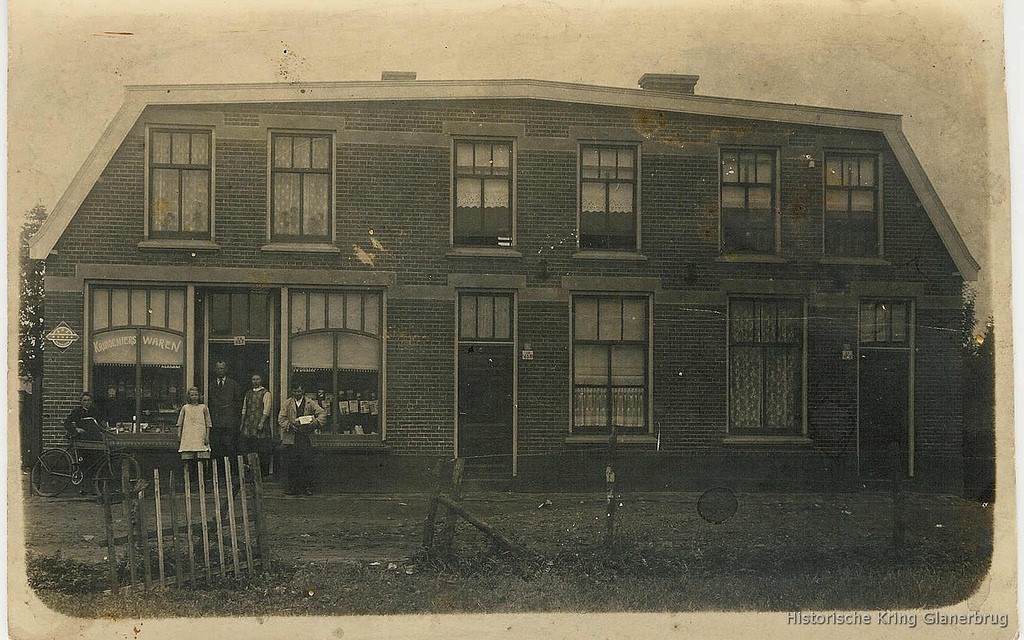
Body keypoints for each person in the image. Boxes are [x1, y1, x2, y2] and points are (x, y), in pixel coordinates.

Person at [277, 383, 326, 495]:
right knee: (292, 463)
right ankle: (293, 488)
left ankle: (307, 487)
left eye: (299, 391)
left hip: (306, 438)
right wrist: (290, 425)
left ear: (303, 391)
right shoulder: (287, 403)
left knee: (306, 462)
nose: (297, 393)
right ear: (292, 392)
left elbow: (322, 413)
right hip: (292, 438)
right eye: (295, 391)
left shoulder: (310, 402)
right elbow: (281, 418)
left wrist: (315, 422)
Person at [239, 373, 274, 477]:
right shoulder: (248, 393)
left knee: (262, 448)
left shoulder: (266, 393)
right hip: (249, 424)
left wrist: (262, 422)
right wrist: (242, 423)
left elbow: (267, 409)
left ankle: (263, 473)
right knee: (249, 447)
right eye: (253, 379)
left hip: (260, 423)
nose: (255, 381)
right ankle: (252, 471)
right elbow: (244, 408)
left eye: (257, 379)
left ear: (261, 380)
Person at [207, 361, 241, 460]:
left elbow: (238, 402)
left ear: (226, 369)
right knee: (217, 446)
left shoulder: (233, 384)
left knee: (229, 446)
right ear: (215, 370)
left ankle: (230, 468)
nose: (220, 370)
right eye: (218, 368)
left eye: (222, 368)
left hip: (229, 421)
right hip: (216, 420)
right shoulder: (211, 385)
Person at [64, 392, 107, 470]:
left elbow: (100, 423)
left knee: (97, 458)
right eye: (84, 400)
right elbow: (67, 423)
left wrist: (103, 426)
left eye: (88, 400)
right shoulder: (77, 411)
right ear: (81, 401)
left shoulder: (95, 411)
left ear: (91, 401)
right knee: (83, 460)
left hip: (93, 439)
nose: (87, 402)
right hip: (81, 439)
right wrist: (76, 429)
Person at [177, 386, 212, 461]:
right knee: (188, 457)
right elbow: (180, 423)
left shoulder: (203, 407)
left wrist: (207, 436)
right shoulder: (185, 408)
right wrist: (179, 435)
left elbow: (208, 423)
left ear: (199, 396)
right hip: (188, 435)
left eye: (196, 395)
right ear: (189, 396)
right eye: (192, 395)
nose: (194, 397)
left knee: (201, 457)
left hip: (200, 435)